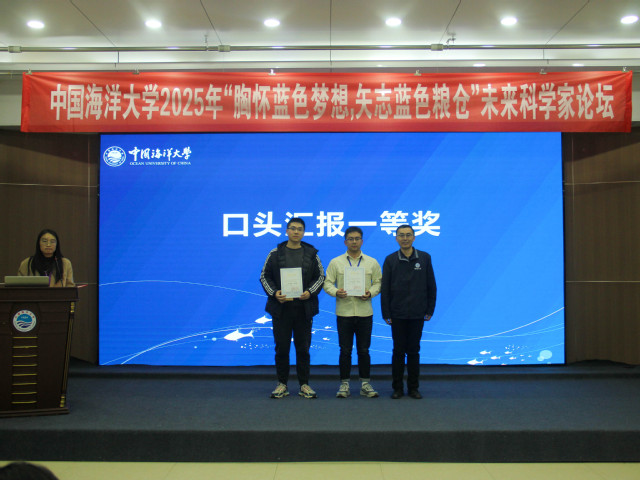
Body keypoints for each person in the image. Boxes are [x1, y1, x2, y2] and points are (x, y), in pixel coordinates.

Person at [260, 217, 325, 399]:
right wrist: (275, 293)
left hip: (304, 309)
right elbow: (264, 276)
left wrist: (309, 292)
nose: (296, 232)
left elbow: (320, 277)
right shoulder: (275, 253)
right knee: (281, 348)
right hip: (281, 309)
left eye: (300, 229)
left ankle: (304, 384)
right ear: (287, 231)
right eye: (293, 228)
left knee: (303, 349)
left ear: (303, 232)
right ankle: (282, 384)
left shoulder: (312, 254)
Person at [323, 226, 382, 398]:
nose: (354, 242)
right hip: (344, 312)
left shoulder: (372, 262)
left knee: (364, 350)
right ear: (345, 242)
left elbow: (379, 282)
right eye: (350, 239)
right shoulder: (336, 262)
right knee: (345, 350)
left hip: (365, 312)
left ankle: (365, 384)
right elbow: (327, 283)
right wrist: (336, 292)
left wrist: (370, 293)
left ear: (362, 241)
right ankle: (344, 385)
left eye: (357, 239)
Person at [381, 224, 436, 399]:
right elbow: (385, 288)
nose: (405, 238)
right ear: (396, 238)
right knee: (398, 351)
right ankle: (397, 388)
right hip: (397, 313)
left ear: (414, 237)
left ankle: (413, 388)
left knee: (413, 351)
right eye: (401, 235)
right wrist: (386, 313)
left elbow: (431, 285)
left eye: (408, 235)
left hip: (418, 313)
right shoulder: (390, 260)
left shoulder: (425, 258)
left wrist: (430, 309)